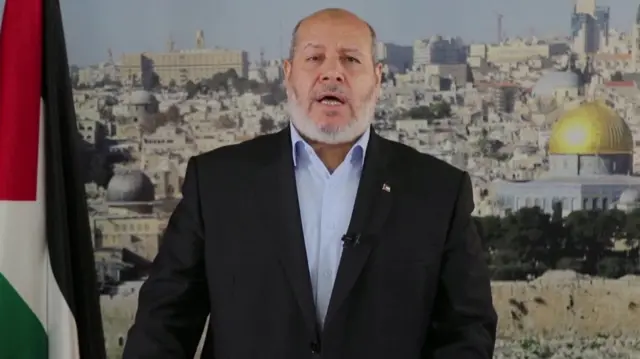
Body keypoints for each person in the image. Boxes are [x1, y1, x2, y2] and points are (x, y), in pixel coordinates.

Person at [123, 8, 497, 359]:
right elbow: (164, 323)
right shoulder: (218, 182)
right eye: (314, 58)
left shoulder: (438, 191)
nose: (332, 74)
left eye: (351, 60)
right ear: (288, 74)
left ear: (378, 79)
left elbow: (465, 332)